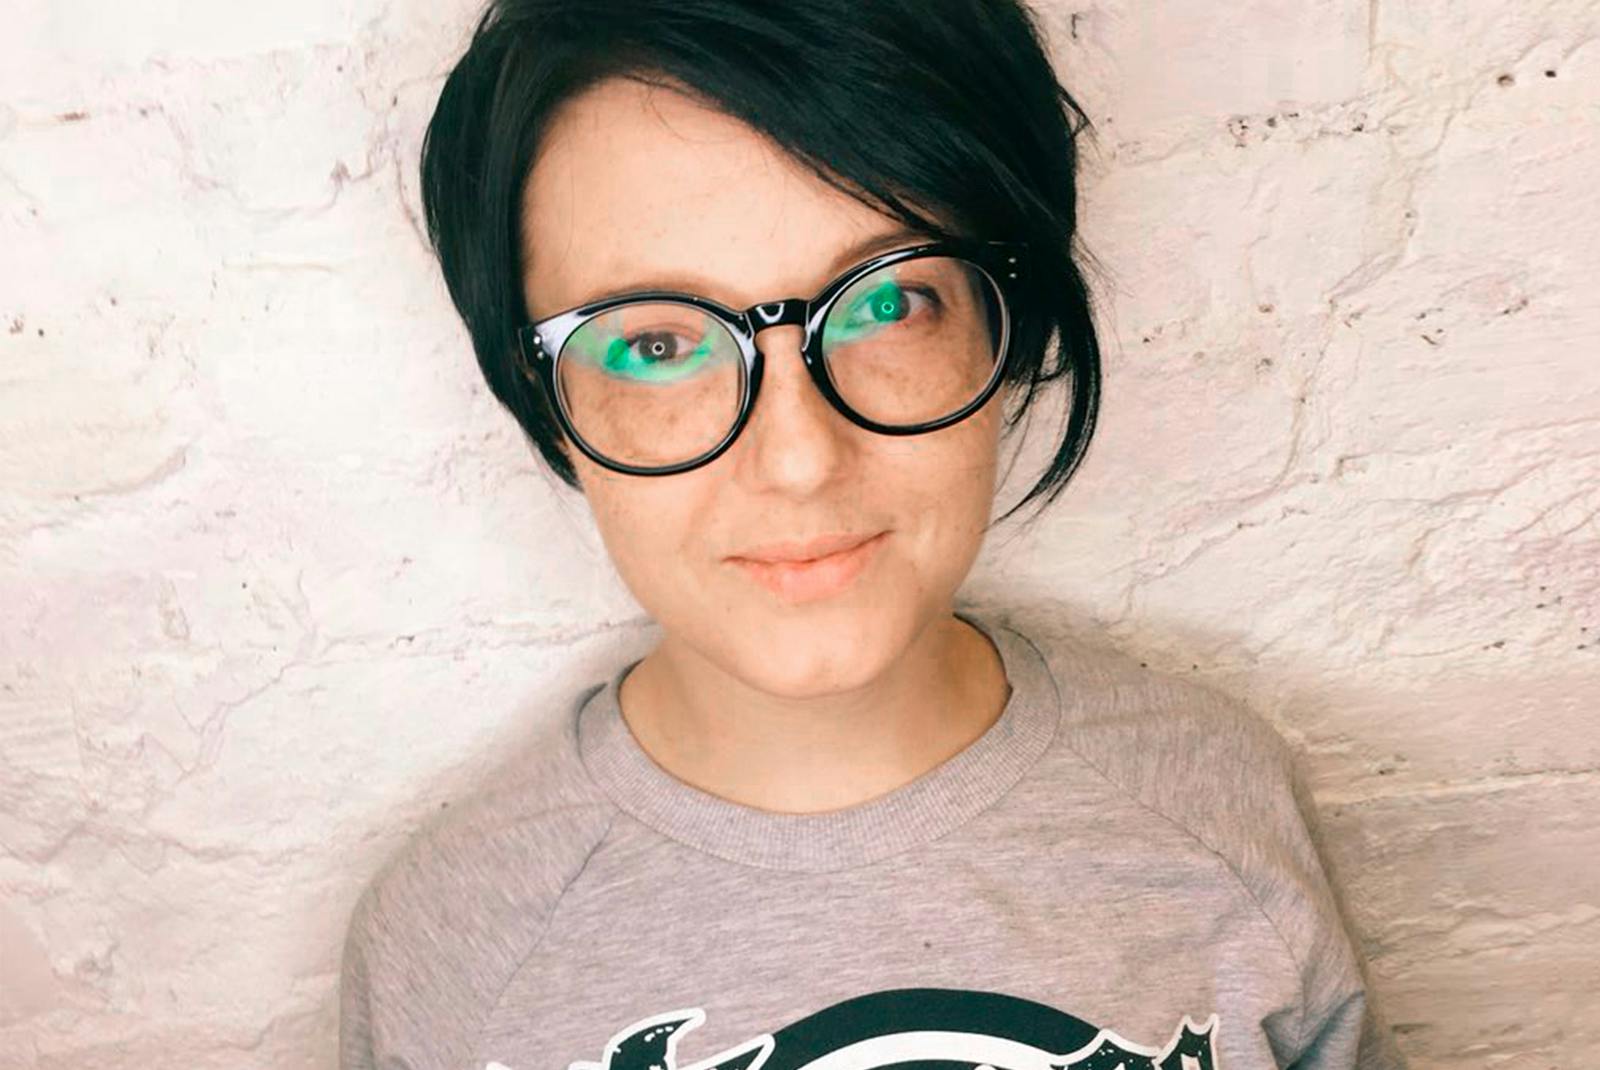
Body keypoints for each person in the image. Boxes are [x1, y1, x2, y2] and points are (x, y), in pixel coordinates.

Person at [338, 2, 1407, 1068]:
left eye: (888, 304)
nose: (799, 457)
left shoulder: (1218, 810)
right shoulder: (455, 943)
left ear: (1004, 320)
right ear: (541, 392)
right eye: (658, 343)